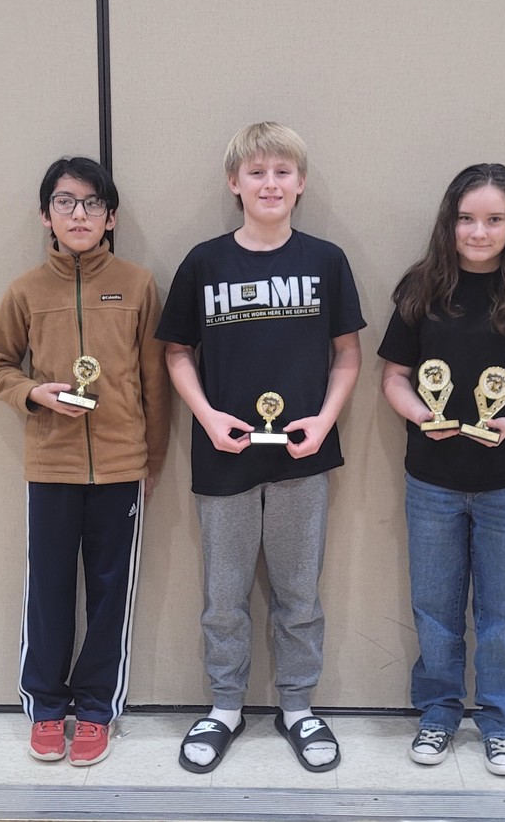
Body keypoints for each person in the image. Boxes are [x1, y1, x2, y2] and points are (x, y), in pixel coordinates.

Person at [156, 122, 365, 774]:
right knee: (224, 593)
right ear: (234, 182)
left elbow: (348, 355)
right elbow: (177, 352)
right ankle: (224, 705)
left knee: (299, 591)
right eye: (256, 172)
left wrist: (325, 420)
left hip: (304, 460)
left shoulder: (326, 262)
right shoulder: (204, 262)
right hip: (224, 457)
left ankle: (298, 706)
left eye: (282, 171)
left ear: (300, 184)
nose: (269, 183)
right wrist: (209, 417)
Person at [378, 164, 505, 775]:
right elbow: (393, 377)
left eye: (493, 219)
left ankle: (499, 721)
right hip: (433, 481)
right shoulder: (420, 288)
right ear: (450, 221)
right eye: (467, 218)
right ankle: (438, 714)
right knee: (435, 608)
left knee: (502, 613)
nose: (478, 231)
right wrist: (419, 415)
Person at [0, 156, 169, 766]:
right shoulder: (25, 291)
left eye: (92, 203)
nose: (80, 214)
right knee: (49, 590)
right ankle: (44, 705)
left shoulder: (138, 284)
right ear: (46, 216)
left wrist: (153, 458)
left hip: (121, 468)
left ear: (111, 216)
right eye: (66, 202)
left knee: (111, 592)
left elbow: (153, 381)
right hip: (52, 467)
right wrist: (32, 393)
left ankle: (95, 709)